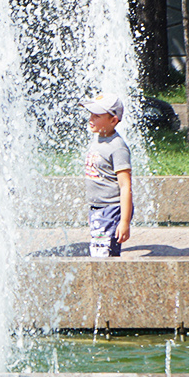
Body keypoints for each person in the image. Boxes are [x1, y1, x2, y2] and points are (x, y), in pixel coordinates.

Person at [81, 92, 133, 258]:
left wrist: (124, 222)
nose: (91, 119)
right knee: (97, 253)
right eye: (91, 114)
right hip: (98, 209)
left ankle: (108, 283)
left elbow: (125, 186)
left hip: (111, 210)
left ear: (113, 120)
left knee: (104, 256)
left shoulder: (117, 147)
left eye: (97, 116)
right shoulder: (99, 138)